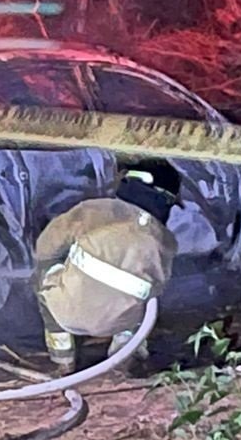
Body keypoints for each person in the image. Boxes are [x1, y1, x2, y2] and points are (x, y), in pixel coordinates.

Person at [32, 158, 182, 375]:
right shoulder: (165, 241)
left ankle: (63, 361)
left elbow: (45, 249)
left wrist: (63, 266)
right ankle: (125, 357)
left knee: (40, 275)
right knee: (147, 300)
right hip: (123, 321)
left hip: (67, 314)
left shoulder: (92, 211)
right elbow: (158, 286)